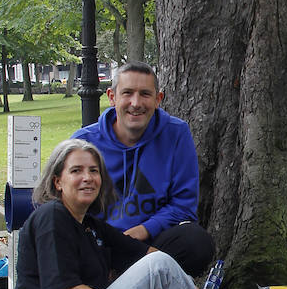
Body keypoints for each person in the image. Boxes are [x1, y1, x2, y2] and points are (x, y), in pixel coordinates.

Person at [12, 140, 261, 289]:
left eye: (93, 170)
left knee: (156, 265)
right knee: (157, 268)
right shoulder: (51, 217)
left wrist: (188, 287)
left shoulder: (89, 225)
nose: (87, 177)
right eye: (76, 170)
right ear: (57, 181)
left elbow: (143, 253)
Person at [73, 63, 214, 276]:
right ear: (112, 97)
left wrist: (142, 231)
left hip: (151, 242)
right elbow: (64, 205)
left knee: (196, 242)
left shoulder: (176, 133)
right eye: (127, 93)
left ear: (158, 99)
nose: (136, 103)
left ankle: (145, 288)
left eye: (145, 94)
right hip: (101, 243)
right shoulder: (84, 142)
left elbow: (184, 205)